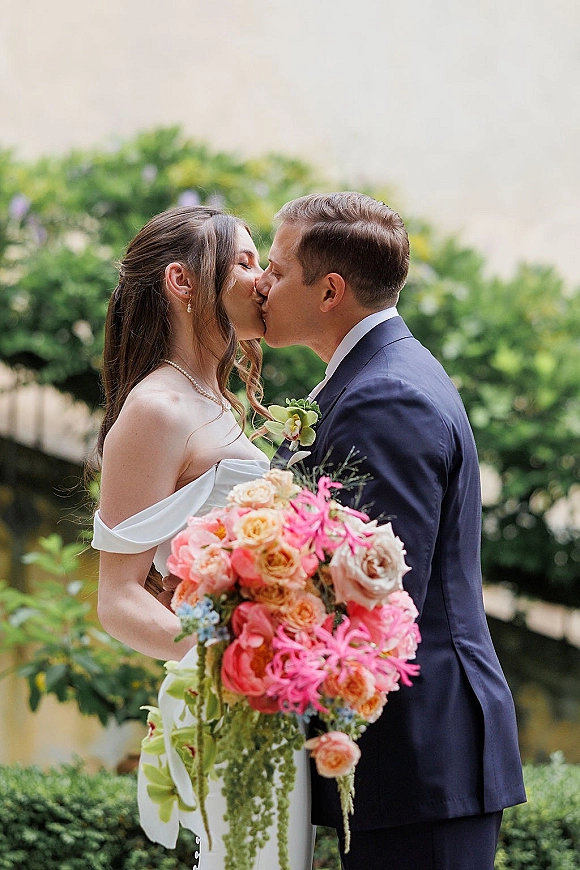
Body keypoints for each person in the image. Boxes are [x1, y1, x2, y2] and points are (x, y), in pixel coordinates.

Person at [257, 192, 526, 870]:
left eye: (276, 269)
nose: (262, 284)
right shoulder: (374, 375)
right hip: (409, 762)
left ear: (330, 291)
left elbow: (370, 596)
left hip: (417, 759)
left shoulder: (385, 394)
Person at [91, 205, 315, 870]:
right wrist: (230, 663)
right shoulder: (157, 409)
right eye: (244, 263)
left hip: (270, 695)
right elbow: (118, 598)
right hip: (230, 700)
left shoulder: (216, 397)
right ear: (183, 283)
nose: (261, 279)